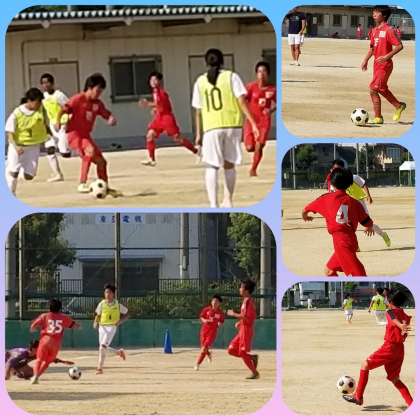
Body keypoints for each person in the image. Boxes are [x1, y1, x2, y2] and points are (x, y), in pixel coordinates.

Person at [192, 48, 259, 208]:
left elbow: (198, 111)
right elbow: (242, 101)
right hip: (232, 125)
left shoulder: (200, 81)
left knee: (212, 166)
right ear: (222, 61)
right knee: (229, 165)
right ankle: (228, 200)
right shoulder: (231, 77)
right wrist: (253, 123)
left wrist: (198, 134)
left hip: (211, 127)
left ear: (206, 62)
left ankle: (213, 204)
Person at [343, 290, 413, 407]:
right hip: (400, 349)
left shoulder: (390, 312)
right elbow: (401, 324)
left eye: (386, 298)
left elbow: (393, 318)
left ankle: (358, 396)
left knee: (365, 365)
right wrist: (402, 325)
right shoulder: (405, 315)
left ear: (390, 301)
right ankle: (412, 404)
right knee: (395, 379)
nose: (385, 300)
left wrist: (400, 325)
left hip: (389, 347)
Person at [302, 167, 374, 276]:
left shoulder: (325, 198)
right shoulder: (354, 202)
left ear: (332, 183)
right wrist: (369, 226)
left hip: (341, 243)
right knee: (329, 271)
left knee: (358, 274)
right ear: (349, 184)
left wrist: (304, 215)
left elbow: (305, 210)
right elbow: (366, 220)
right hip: (350, 240)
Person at [55, 73, 118, 194]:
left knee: (101, 162)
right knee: (90, 150)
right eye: (97, 90)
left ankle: (104, 186)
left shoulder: (97, 104)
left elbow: (105, 113)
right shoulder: (78, 99)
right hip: (74, 134)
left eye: (101, 91)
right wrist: (58, 121)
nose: (99, 94)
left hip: (86, 136)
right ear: (90, 87)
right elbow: (63, 110)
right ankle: (82, 183)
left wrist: (111, 118)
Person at [326, 159, 391, 247]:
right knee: (347, 225)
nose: (337, 171)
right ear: (331, 170)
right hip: (345, 206)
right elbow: (332, 195)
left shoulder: (353, 177)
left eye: (339, 169)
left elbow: (363, 184)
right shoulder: (333, 182)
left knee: (369, 224)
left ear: (343, 169)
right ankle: (355, 246)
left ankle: (383, 235)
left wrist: (368, 196)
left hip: (359, 204)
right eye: (335, 169)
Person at [139, 71, 198, 166]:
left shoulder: (161, 92)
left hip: (167, 118)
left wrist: (149, 104)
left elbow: (161, 104)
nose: (152, 82)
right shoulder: (155, 92)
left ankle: (196, 151)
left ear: (159, 81)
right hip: (160, 117)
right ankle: (151, 159)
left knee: (177, 138)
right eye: (151, 80)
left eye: (155, 80)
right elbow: (160, 105)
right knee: (150, 135)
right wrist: (155, 109)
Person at [361, 5, 406, 124]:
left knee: (374, 89)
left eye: (377, 12)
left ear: (384, 15)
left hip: (385, 65)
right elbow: (372, 48)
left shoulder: (389, 30)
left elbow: (399, 46)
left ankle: (380, 116)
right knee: (380, 89)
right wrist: (366, 60)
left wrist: (387, 57)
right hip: (376, 65)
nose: (374, 14)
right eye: (373, 12)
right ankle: (395, 108)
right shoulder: (373, 31)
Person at [5, 88, 51, 195]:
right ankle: (10, 193)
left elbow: (44, 124)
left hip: (33, 147)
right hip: (18, 146)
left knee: (29, 176)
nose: (39, 104)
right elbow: (9, 133)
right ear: (30, 101)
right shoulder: (17, 113)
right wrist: (16, 147)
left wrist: (49, 135)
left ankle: (15, 168)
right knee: (13, 173)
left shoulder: (41, 110)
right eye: (38, 102)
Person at [30, 298, 80, 384]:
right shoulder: (64, 317)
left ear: (49, 307)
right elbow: (75, 325)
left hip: (45, 340)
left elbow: (34, 325)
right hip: (56, 343)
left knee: (39, 360)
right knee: (47, 362)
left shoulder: (44, 316)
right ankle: (37, 377)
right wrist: (79, 326)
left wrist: (33, 328)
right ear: (60, 308)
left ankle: (35, 376)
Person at [244, 61, 276, 177]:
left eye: (264, 71)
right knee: (250, 148)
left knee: (259, 145)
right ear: (256, 74)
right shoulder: (251, 87)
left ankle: (253, 169)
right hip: (251, 120)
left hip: (264, 121)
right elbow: (242, 101)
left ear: (268, 73)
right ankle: (254, 150)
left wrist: (270, 110)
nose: (261, 74)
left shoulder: (273, 89)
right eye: (259, 71)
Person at [40, 73, 71, 182]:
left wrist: (67, 122)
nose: (45, 85)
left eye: (47, 82)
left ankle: (78, 149)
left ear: (52, 83)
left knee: (65, 154)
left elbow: (69, 108)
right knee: (49, 149)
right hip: (52, 126)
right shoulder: (43, 97)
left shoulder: (59, 95)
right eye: (43, 83)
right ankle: (58, 174)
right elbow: (44, 111)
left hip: (62, 125)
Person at [227, 279, 259, 379]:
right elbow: (245, 317)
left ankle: (255, 373)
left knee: (242, 352)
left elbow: (246, 317)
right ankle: (252, 357)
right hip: (242, 329)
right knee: (231, 350)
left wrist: (233, 314)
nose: (239, 289)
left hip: (246, 330)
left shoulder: (248, 301)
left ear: (246, 290)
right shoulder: (245, 301)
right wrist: (240, 323)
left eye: (241, 287)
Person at [93, 284, 128, 374]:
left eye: (109, 292)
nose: (107, 294)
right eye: (106, 292)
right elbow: (98, 314)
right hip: (102, 327)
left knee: (102, 347)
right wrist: (95, 322)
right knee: (102, 347)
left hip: (111, 327)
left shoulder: (117, 304)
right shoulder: (102, 303)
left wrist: (120, 321)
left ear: (113, 294)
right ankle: (119, 352)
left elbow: (126, 313)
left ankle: (99, 368)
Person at [5, 340, 74, 380]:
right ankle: (14, 372)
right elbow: (9, 362)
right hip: (6, 361)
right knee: (7, 374)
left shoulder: (36, 354)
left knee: (33, 373)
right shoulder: (21, 354)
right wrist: (6, 375)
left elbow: (49, 358)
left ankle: (17, 373)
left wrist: (63, 361)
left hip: (18, 363)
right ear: (33, 349)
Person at [194, 294, 225, 370]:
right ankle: (209, 354)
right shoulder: (206, 309)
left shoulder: (220, 313)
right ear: (211, 302)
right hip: (204, 331)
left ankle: (197, 364)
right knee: (203, 348)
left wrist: (219, 323)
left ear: (219, 303)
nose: (214, 302)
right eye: (213, 301)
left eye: (216, 301)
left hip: (212, 333)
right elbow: (201, 317)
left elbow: (221, 321)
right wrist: (204, 320)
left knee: (204, 349)